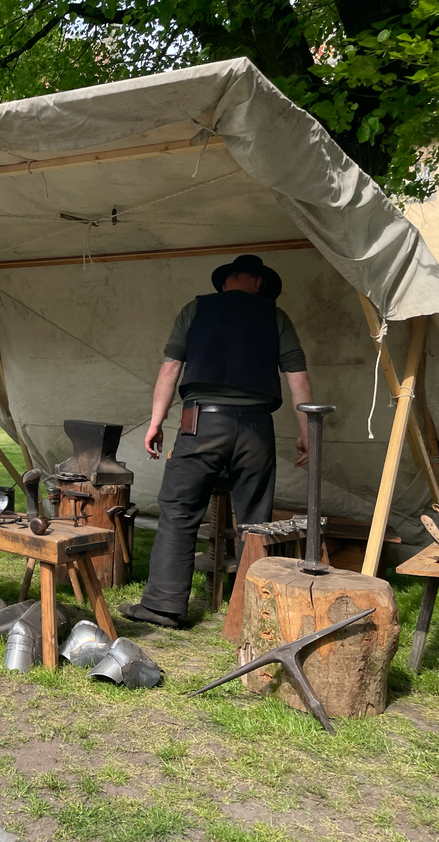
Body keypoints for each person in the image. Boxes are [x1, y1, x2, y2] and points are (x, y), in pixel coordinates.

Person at [120, 255, 313, 629]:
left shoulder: (196, 309)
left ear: (226, 281)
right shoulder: (275, 316)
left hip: (201, 423)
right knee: (255, 520)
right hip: (257, 428)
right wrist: (308, 431)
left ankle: (163, 606)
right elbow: (298, 378)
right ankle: (253, 613)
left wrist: (156, 422)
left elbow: (170, 369)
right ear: (258, 282)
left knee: (179, 509)